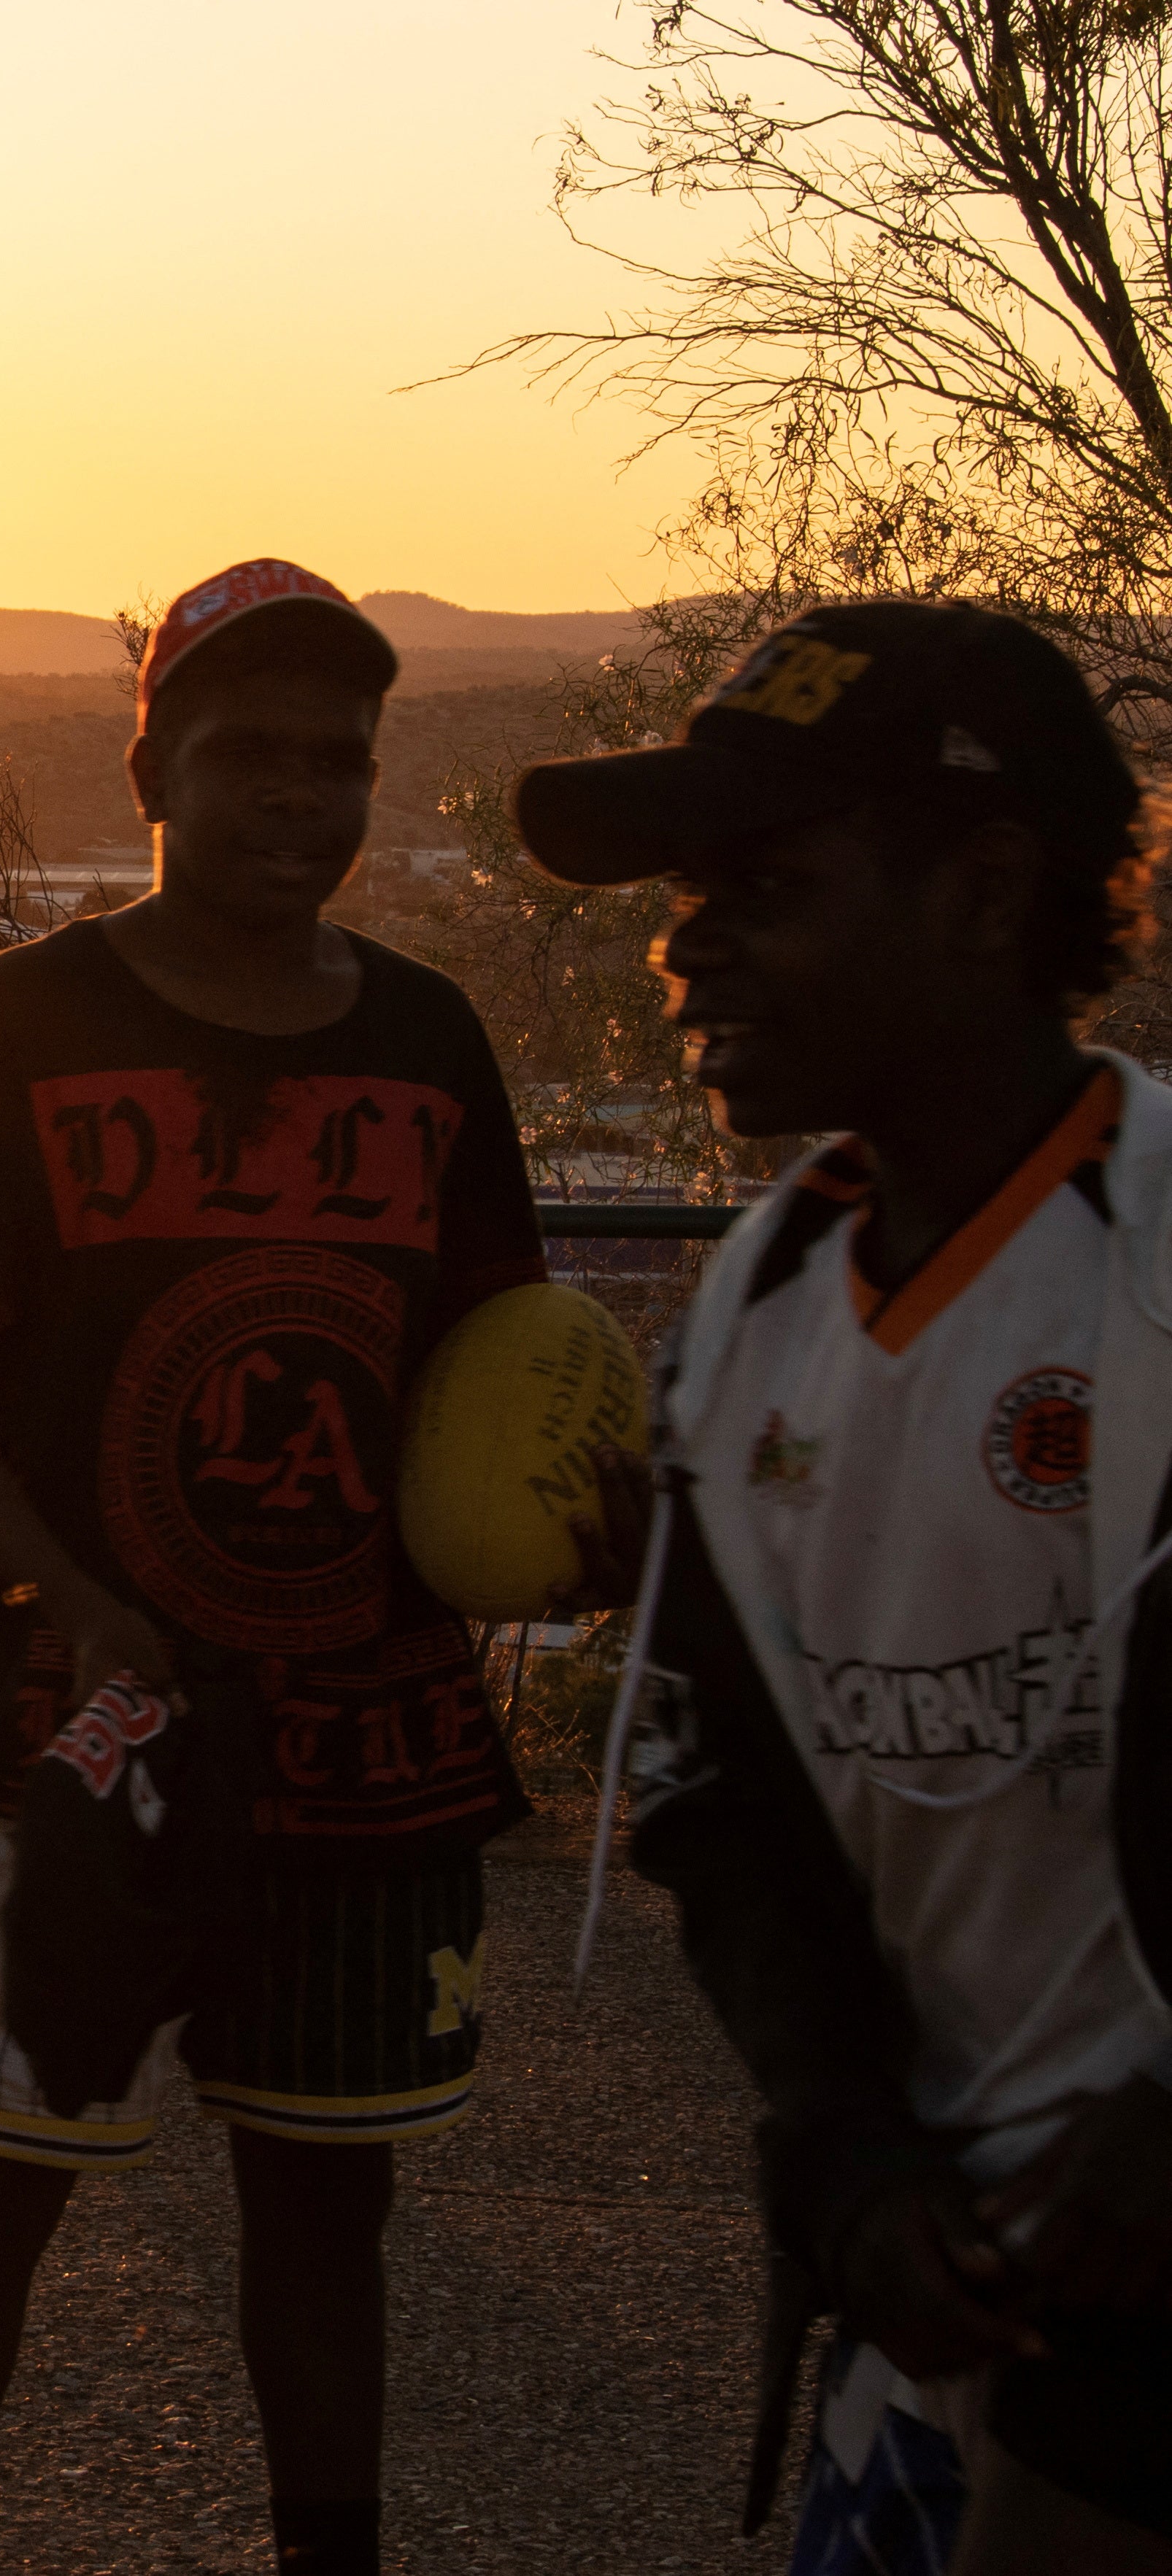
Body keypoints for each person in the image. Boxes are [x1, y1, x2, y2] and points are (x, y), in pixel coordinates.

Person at [0, 560, 548, 2576]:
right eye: (248, 755)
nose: (298, 799)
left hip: (361, 1723)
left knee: (328, 2208)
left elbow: (495, 1370)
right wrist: (72, 1592)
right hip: (82, 1721)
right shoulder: (18, 1025)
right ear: (150, 761)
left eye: (339, 761)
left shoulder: (428, 1038)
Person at [517, 600, 1172, 2575]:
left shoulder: (1149, 1273)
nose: (676, 941)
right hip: (940, 2277)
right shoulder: (750, 1317)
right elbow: (731, 1820)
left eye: (761, 884)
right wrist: (841, 2148)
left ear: (980, 889)